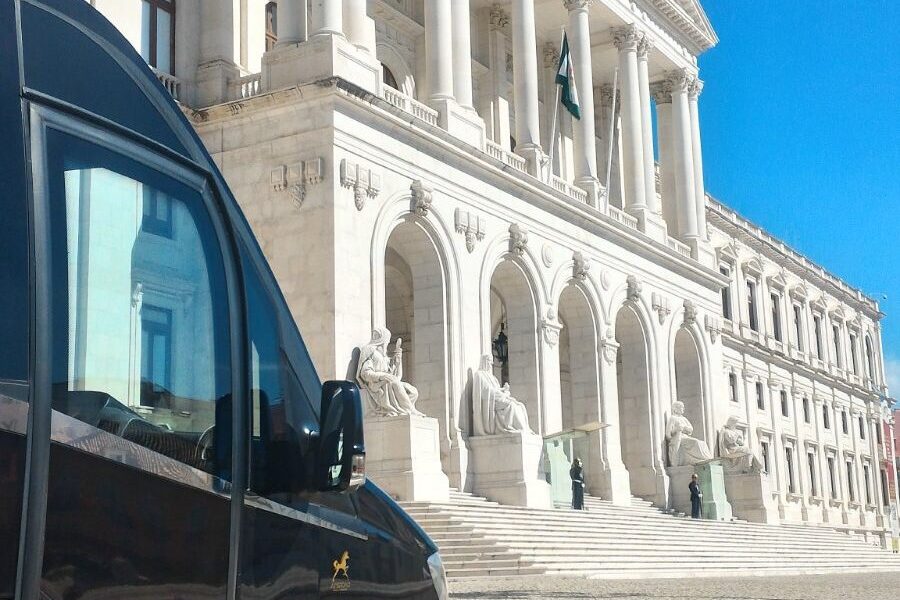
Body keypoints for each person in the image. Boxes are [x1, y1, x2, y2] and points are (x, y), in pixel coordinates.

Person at [471, 354, 532, 435]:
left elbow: (496, 389)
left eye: (492, 362)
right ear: (484, 361)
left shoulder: (492, 377)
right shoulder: (479, 375)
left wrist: (504, 390)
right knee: (511, 405)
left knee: (520, 406)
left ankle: (523, 430)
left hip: (498, 398)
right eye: (489, 362)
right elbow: (485, 392)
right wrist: (502, 393)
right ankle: (510, 427)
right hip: (490, 402)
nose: (491, 364)